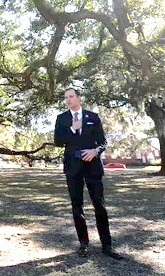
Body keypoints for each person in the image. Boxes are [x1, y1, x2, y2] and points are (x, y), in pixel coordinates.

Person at [54, 88, 122, 260]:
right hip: (73, 167)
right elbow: (57, 141)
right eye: (66, 98)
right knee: (77, 207)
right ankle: (83, 244)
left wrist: (95, 151)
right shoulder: (61, 118)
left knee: (99, 205)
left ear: (79, 98)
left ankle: (107, 245)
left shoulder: (93, 117)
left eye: (71, 97)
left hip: (92, 166)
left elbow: (103, 142)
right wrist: (71, 128)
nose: (68, 100)